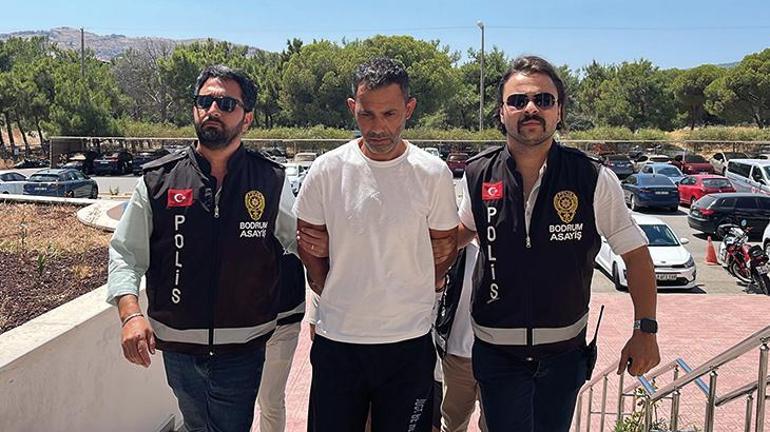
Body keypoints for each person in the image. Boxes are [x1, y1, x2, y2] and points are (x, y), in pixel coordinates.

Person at [456, 55, 661, 432]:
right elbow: (458, 234)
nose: (531, 108)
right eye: (518, 100)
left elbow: (636, 255)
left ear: (559, 111)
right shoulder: (478, 173)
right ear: (501, 112)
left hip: (564, 355)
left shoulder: (591, 177)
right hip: (495, 353)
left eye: (544, 100)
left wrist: (645, 329)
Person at [107, 64, 298, 432]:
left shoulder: (270, 180)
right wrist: (130, 315)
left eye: (226, 104)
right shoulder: (158, 180)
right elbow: (125, 253)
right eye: (204, 101)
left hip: (243, 348)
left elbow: (302, 242)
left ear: (247, 119)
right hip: (177, 348)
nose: (213, 110)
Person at [294, 57, 459, 432]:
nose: (378, 127)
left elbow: (444, 249)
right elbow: (309, 245)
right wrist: (333, 287)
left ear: (409, 109)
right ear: (352, 107)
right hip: (338, 341)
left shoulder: (432, 174)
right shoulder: (327, 169)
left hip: (408, 342)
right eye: (367, 114)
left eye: (390, 114)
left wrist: (417, 284)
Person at [434, 238, 487, 432]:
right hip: (457, 355)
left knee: (497, 423)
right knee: (453, 424)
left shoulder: (506, 246)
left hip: (498, 356)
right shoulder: (459, 247)